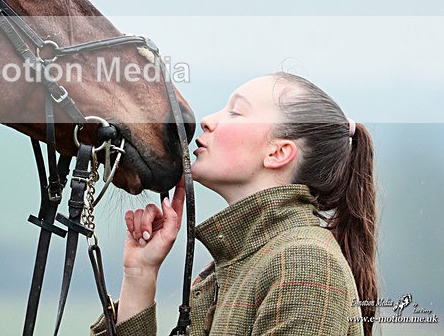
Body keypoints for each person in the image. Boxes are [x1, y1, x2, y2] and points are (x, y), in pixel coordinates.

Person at [91, 72, 377, 336]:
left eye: (236, 112)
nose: (207, 121)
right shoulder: (237, 267)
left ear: (278, 152)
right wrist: (140, 277)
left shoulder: (305, 266)